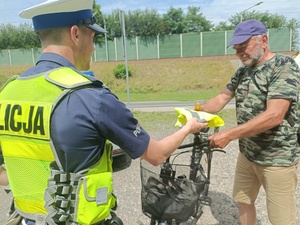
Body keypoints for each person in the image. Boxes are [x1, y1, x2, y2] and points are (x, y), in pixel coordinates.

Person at [0, 0, 208, 225]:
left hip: (23, 219)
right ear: (75, 34)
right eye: (92, 36)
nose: (93, 46)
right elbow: (156, 155)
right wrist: (189, 127)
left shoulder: (8, 92)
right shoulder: (90, 95)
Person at [195, 19, 300, 225]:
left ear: (264, 40)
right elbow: (222, 98)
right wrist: (196, 111)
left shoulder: (283, 66)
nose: (239, 53)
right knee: (243, 201)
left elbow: (274, 115)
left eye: (244, 46)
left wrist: (228, 134)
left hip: (276, 158)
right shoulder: (243, 71)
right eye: (236, 49)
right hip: (248, 153)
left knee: (281, 219)